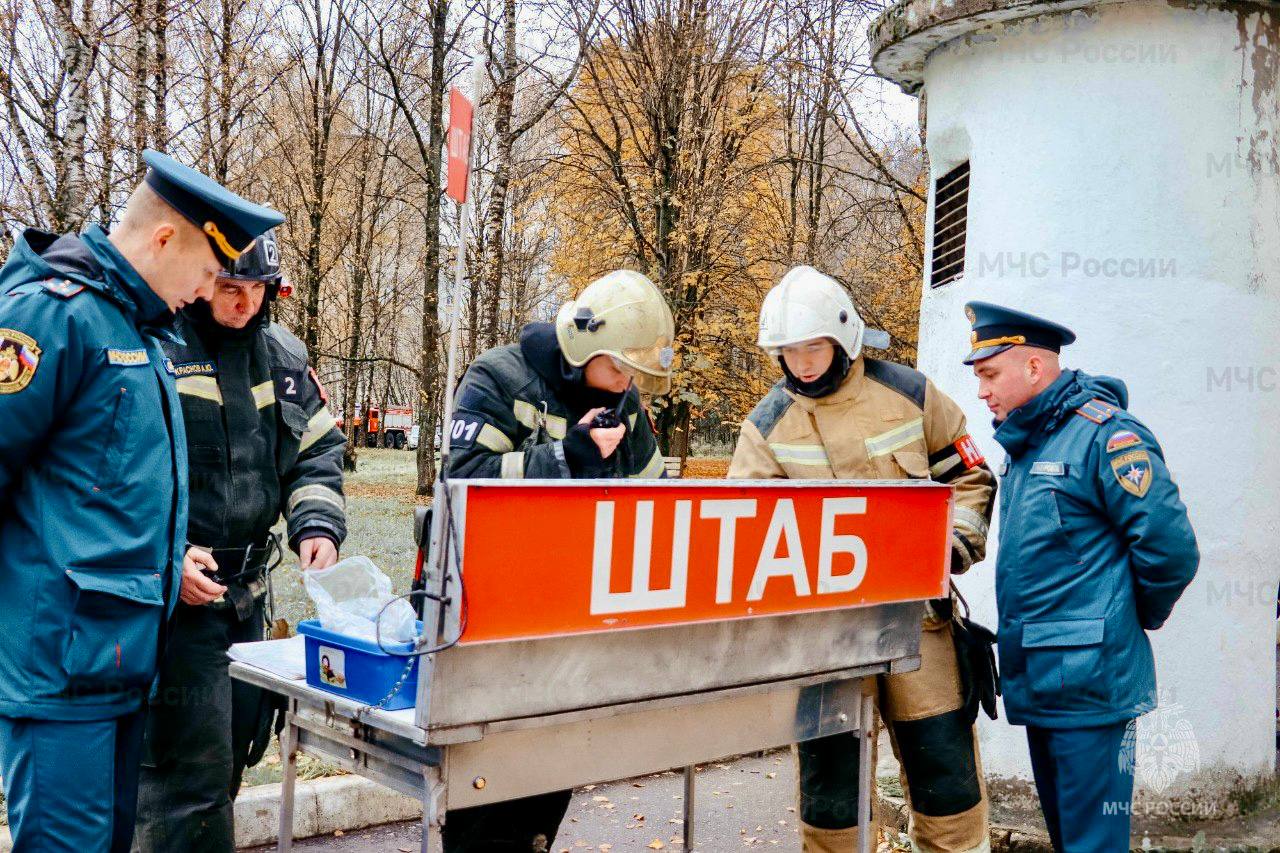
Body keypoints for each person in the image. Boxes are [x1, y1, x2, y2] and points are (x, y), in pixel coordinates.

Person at [0, 150, 283, 852]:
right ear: (162, 240)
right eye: (205, 272)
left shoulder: (138, 331)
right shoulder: (52, 317)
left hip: (122, 665)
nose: (203, 292)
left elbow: (114, 493)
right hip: (58, 674)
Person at [728, 266, 997, 853]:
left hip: (918, 622)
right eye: (790, 351)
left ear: (844, 338)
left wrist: (954, 543)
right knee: (831, 789)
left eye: (814, 347)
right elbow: (743, 531)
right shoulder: (767, 426)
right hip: (823, 637)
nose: (802, 363)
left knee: (945, 770)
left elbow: (970, 475)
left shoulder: (909, 394)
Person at [443, 269, 674, 850]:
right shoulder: (498, 377)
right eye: (618, 367)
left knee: (549, 779)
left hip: (571, 612)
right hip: (487, 612)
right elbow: (461, 480)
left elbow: (650, 495)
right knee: (483, 787)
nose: (625, 382)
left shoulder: (623, 400)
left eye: (634, 373)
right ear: (583, 347)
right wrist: (564, 458)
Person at [134, 229, 347, 851]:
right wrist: (165, 557)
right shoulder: (155, 349)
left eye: (257, 289)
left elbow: (318, 452)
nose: (244, 303)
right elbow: (119, 472)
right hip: (177, 604)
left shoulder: (282, 356)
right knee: (181, 780)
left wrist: (316, 525)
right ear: (203, 282)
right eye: (230, 287)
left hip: (247, 600)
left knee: (230, 758)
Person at [963, 301, 1198, 852]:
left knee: (1093, 843)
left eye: (990, 374)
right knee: (1072, 839)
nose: (982, 392)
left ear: (1035, 368)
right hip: (1046, 678)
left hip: (1090, 684)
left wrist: (1125, 619)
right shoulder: (1029, 441)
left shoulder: (1105, 437)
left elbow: (1171, 549)